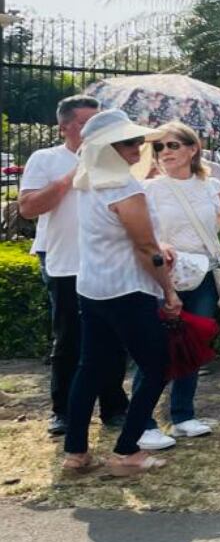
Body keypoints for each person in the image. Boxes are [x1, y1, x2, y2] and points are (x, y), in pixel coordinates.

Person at [61, 109, 180, 477]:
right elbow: (147, 249)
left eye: (137, 140)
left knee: (90, 368)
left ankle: (76, 452)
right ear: (107, 148)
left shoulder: (87, 181)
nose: (138, 147)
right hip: (127, 289)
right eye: (128, 142)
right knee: (158, 366)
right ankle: (128, 451)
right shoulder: (124, 188)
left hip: (93, 287)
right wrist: (170, 293)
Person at [136, 121, 220, 450]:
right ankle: (142, 421)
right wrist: (160, 246)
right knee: (155, 346)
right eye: (159, 147)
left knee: (193, 344)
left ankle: (183, 415)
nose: (165, 152)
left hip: (202, 271)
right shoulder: (148, 189)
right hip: (164, 272)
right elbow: (141, 232)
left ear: (193, 149)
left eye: (173, 145)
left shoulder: (212, 186)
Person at [19, 96, 130, 436]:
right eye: (85, 124)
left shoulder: (116, 162)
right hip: (65, 262)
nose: (94, 131)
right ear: (64, 127)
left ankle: (114, 407)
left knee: (113, 338)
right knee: (69, 339)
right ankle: (64, 410)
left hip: (108, 262)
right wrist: (73, 173)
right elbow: (28, 207)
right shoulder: (46, 158)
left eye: (99, 123)